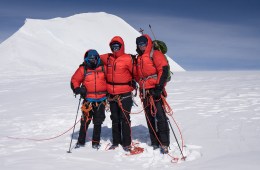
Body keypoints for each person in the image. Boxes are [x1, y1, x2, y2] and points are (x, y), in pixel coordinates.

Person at [134, 34, 170, 154]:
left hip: (155, 90)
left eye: (143, 43)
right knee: (149, 118)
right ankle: (154, 142)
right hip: (145, 93)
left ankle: (164, 143)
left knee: (160, 117)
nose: (141, 46)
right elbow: (137, 75)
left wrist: (159, 88)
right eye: (139, 44)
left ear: (148, 43)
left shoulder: (155, 54)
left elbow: (163, 70)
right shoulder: (138, 58)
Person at [100, 36, 135, 152]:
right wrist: (85, 62)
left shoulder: (128, 59)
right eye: (113, 46)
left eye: (117, 46)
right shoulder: (108, 58)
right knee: (114, 118)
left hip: (125, 93)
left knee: (125, 118)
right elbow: (95, 57)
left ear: (121, 46)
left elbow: (136, 72)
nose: (115, 49)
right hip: (112, 95)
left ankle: (127, 143)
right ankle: (116, 142)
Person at [70, 49, 107, 149]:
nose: (92, 61)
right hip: (88, 100)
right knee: (85, 120)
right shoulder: (83, 69)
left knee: (98, 121)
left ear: (97, 58)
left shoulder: (103, 68)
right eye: (90, 59)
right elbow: (75, 79)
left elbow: (111, 78)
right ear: (87, 59)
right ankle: (80, 141)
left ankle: (95, 142)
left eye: (94, 59)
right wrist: (77, 89)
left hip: (101, 99)